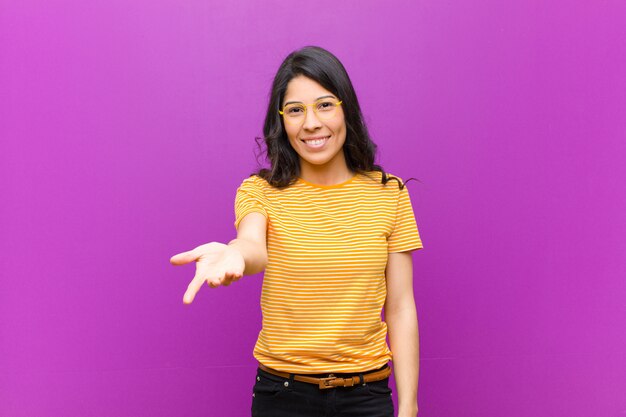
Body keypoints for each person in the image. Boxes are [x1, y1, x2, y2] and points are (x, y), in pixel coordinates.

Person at [170, 46, 423, 417]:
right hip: (283, 397)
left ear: (346, 109)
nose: (311, 124)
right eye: (295, 110)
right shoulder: (260, 191)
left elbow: (400, 308)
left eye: (324, 105)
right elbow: (254, 245)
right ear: (281, 121)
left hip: (366, 396)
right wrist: (236, 253)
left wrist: (410, 407)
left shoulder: (389, 194)